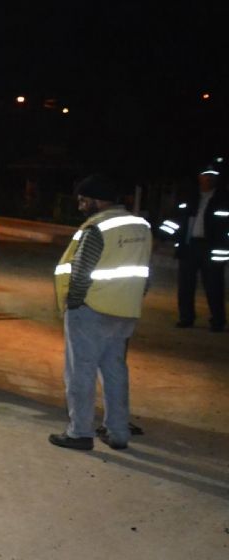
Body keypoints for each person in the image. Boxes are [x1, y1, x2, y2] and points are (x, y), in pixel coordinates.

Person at [48, 174, 152, 451]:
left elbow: (81, 270)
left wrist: (75, 303)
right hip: (125, 310)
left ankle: (79, 432)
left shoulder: (98, 227)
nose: (81, 207)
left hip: (91, 309)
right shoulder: (141, 225)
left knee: (80, 372)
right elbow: (144, 271)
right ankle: (118, 432)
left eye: (83, 201)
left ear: (96, 199)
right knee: (115, 370)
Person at [158, 164, 228, 332]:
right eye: (205, 175)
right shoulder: (190, 198)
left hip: (211, 248)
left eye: (212, 175)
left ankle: (218, 321)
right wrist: (163, 237)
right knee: (186, 285)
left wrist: (224, 248)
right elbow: (175, 221)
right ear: (199, 177)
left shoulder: (223, 200)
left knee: (213, 286)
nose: (208, 178)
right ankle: (186, 318)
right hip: (190, 247)